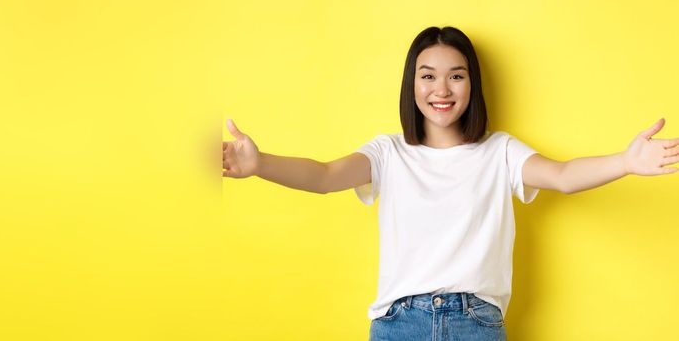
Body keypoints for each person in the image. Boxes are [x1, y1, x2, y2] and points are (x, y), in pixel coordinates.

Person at [221, 26, 679, 341]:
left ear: (472, 85)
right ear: (412, 85)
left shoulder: (500, 151)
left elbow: (561, 176)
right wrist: (260, 164)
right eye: (428, 76)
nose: (442, 89)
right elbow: (323, 177)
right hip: (399, 324)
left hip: (474, 324)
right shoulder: (388, 152)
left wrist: (626, 160)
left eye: (456, 76)